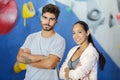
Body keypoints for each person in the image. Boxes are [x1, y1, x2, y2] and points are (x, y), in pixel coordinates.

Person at [17, 3, 66, 80]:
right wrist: (43, 57)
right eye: (45, 17)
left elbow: (50, 65)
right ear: (41, 18)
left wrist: (29, 59)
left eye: (51, 19)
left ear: (56, 21)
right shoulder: (31, 37)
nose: (47, 22)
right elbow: (20, 57)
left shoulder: (59, 40)